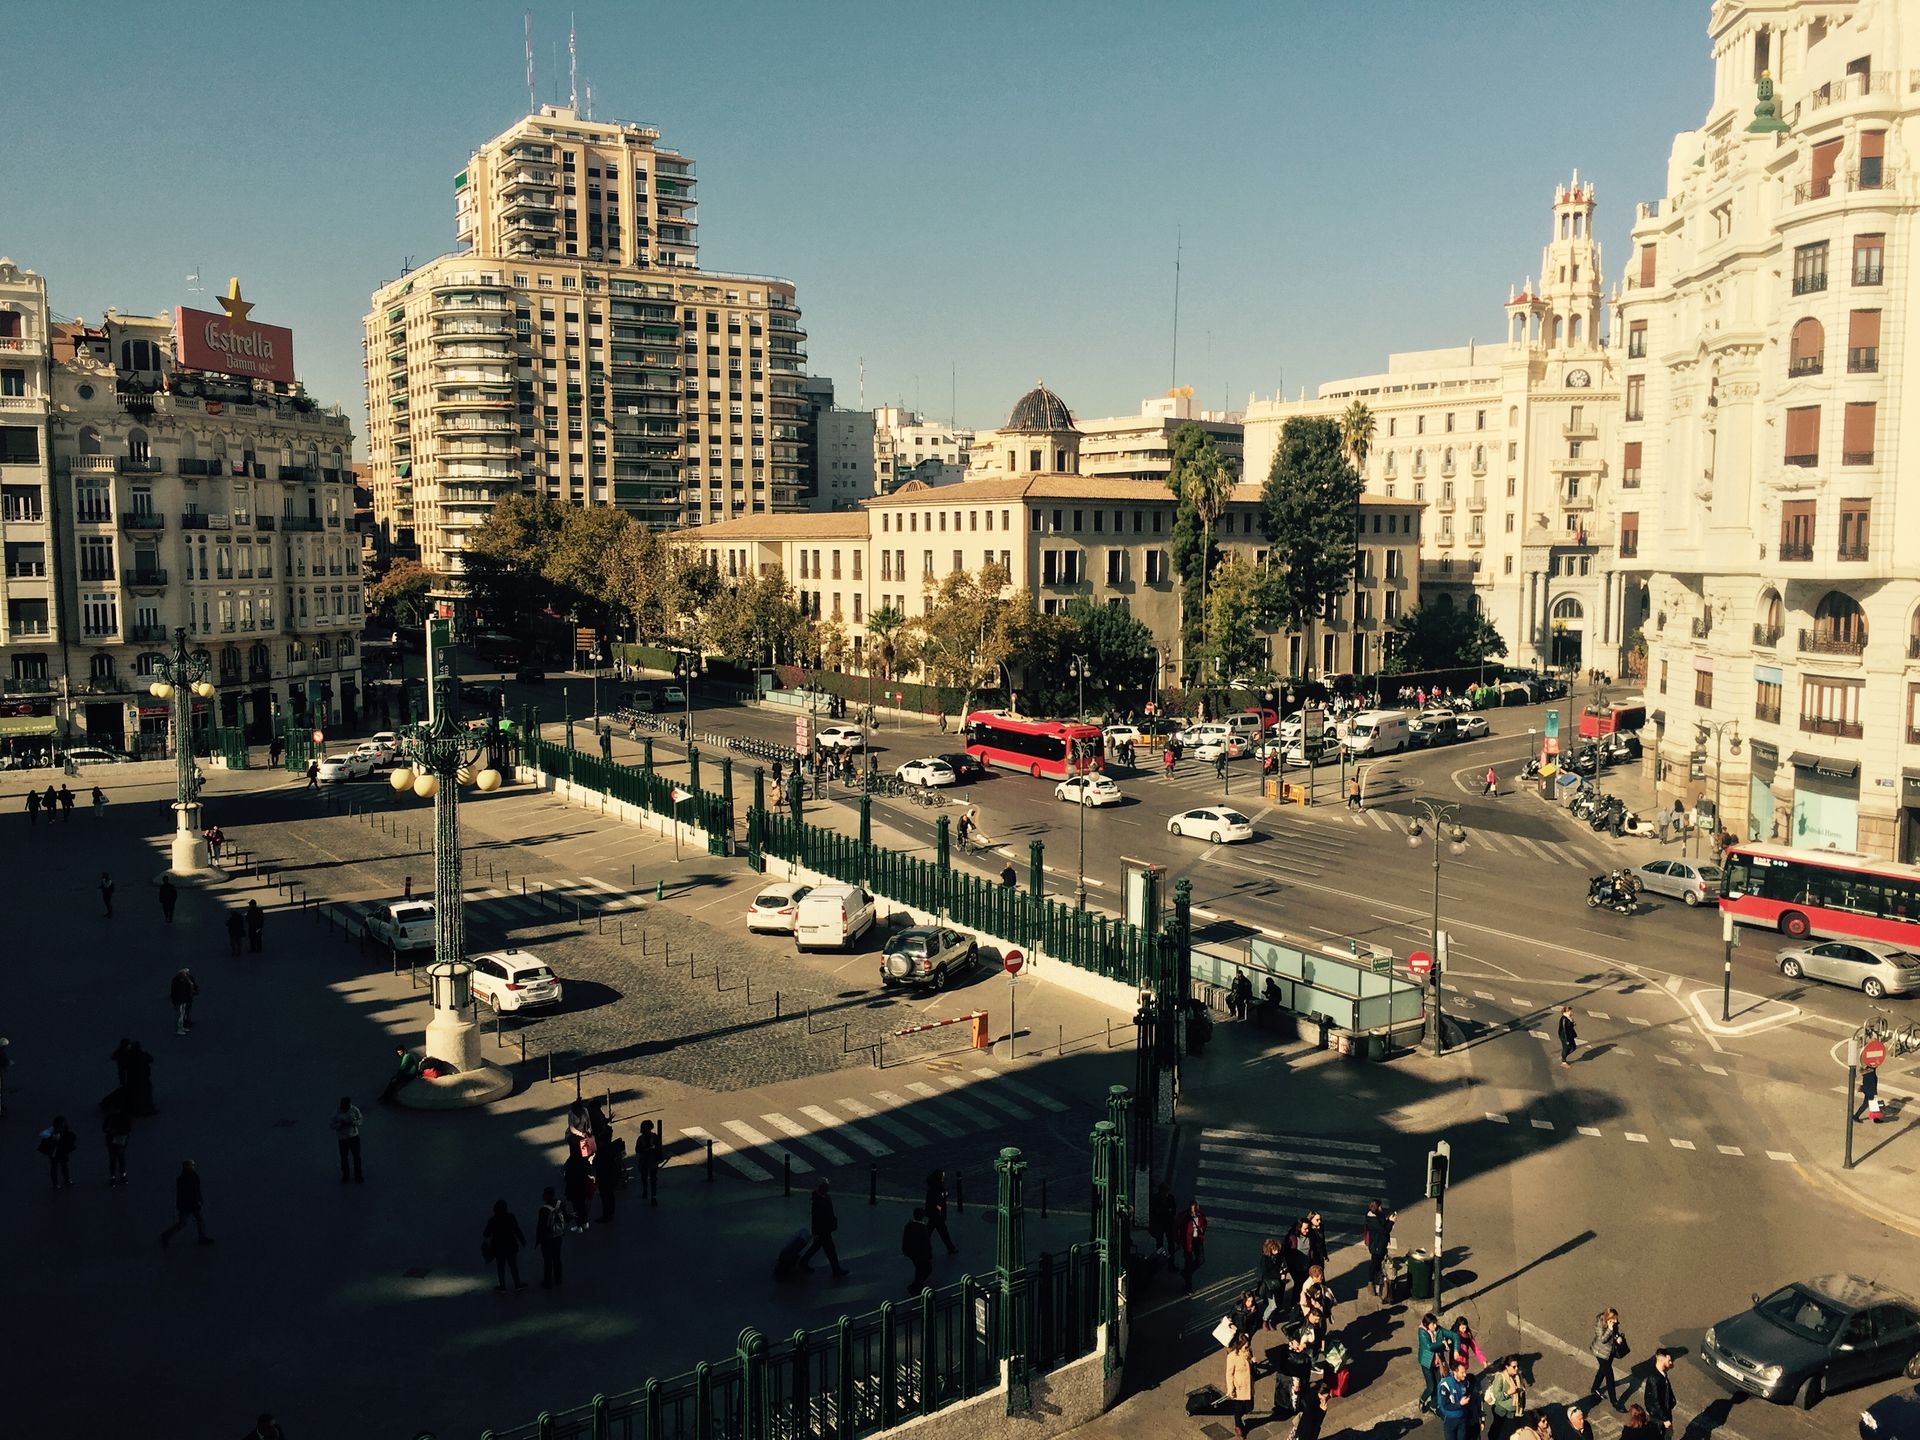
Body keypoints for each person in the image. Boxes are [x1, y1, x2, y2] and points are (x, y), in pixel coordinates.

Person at [800, 1179, 849, 1277]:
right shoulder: (819, 1201)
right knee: (830, 1250)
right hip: (823, 1230)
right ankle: (836, 1270)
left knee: (817, 1246)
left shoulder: (823, 1198)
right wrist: (816, 1232)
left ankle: (803, 1262)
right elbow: (816, 1219)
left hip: (824, 1229)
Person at [160, 1159, 212, 1246]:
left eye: (192, 1166)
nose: (192, 1167)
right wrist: (182, 1205)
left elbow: (197, 1190)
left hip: (193, 1204)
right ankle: (165, 1235)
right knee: (183, 1224)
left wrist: (199, 1199)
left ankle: (202, 1237)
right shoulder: (182, 1179)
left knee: (198, 1220)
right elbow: (181, 1194)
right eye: (190, 1166)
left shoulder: (194, 1177)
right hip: (186, 1205)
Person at [482, 1199, 526, 1291]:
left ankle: (502, 1287)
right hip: (511, 1245)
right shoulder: (511, 1217)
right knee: (513, 1266)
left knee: (500, 1267)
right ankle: (517, 1284)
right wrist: (522, 1240)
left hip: (498, 1247)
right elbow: (516, 1230)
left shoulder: (493, 1220)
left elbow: (486, 1233)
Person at [1590, 1307, 1626, 1408]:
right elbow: (1602, 1339)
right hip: (1601, 1353)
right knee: (1609, 1376)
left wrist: (1617, 1337)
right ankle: (1614, 1402)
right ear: (1609, 1318)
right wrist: (1610, 1329)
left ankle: (1594, 1388)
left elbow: (1615, 1333)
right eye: (1615, 1318)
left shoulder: (1613, 1323)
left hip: (1609, 1352)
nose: (1617, 1321)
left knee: (1602, 1370)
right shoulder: (1599, 1324)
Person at [1223, 1330, 1255, 1439]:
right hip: (1239, 1387)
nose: (1247, 1346)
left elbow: (1252, 1369)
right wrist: (1230, 1388)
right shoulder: (1232, 1356)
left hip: (1249, 1386)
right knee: (1238, 1408)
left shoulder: (1249, 1352)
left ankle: (1240, 1419)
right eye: (1245, 1344)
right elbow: (1229, 1374)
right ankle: (1238, 1426)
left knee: (1249, 1407)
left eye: (1248, 1343)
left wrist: (1253, 1362)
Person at [1487, 1356, 1527, 1440]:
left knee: (1511, 1432)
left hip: (1515, 1411)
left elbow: (1522, 1393)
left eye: (1517, 1366)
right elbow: (1497, 1396)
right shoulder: (1500, 1377)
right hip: (1502, 1411)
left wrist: (1522, 1406)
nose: (1516, 1368)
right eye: (1514, 1367)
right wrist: (1508, 1392)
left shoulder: (1518, 1376)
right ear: (1507, 1367)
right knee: (1497, 1430)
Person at [1416, 1312, 1449, 1413]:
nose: (1435, 1326)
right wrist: (1442, 1344)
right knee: (1431, 1387)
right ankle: (1422, 1400)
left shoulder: (1437, 1330)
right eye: (1433, 1324)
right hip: (1427, 1360)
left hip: (1436, 1361)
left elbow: (1448, 1335)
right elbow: (1429, 1346)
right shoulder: (1422, 1332)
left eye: (1435, 1323)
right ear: (1427, 1324)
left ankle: (1433, 1405)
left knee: (1438, 1384)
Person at [535, 1186, 567, 1288]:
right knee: (557, 1258)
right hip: (558, 1235)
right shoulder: (560, 1204)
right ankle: (558, 1279)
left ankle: (548, 1281)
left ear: (548, 1195)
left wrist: (538, 1240)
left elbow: (540, 1227)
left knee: (547, 1260)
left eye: (544, 1194)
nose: (543, 1196)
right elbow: (566, 1218)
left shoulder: (544, 1210)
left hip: (547, 1239)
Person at [1363, 1199, 1395, 1299]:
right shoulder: (1372, 1220)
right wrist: (1391, 1222)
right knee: (1375, 1264)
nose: (1381, 1208)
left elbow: (1383, 1224)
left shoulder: (1379, 1215)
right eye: (1380, 1206)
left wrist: (1389, 1220)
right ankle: (1372, 1283)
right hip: (1376, 1246)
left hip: (1381, 1245)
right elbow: (1384, 1230)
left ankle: (1378, 1282)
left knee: (1379, 1264)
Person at [1437, 1356, 1472, 1440]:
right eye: (1462, 1372)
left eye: (1465, 1372)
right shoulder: (1446, 1385)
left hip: (1462, 1418)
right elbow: (1446, 1405)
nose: (1465, 1374)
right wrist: (1460, 1404)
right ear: (1455, 1372)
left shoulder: (1465, 1383)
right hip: (1451, 1420)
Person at [1643, 1349, 1677, 1437]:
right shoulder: (1654, 1378)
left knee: (1668, 1435)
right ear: (1661, 1359)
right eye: (1669, 1360)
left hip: (1664, 1413)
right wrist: (1665, 1419)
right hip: (1658, 1418)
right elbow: (1656, 1401)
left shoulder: (1662, 1374)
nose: (1671, 1363)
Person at [901, 1205, 934, 1295]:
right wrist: (929, 1254)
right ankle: (916, 1285)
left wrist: (905, 1250)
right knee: (927, 1269)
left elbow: (905, 1239)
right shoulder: (923, 1228)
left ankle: (917, 1285)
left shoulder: (909, 1225)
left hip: (912, 1253)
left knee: (919, 1268)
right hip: (921, 1253)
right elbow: (926, 1243)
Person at [925, 1169, 958, 1256]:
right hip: (937, 1214)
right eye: (943, 1175)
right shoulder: (936, 1187)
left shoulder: (935, 1186)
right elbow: (937, 1199)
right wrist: (944, 1195)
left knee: (930, 1230)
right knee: (943, 1232)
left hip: (934, 1214)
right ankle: (950, 1248)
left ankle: (921, 1246)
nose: (944, 1177)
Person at [39, 1114, 77, 1189]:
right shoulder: (53, 1129)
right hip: (55, 1152)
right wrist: (53, 1137)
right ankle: (56, 1184)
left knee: (64, 1167)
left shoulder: (64, 1129)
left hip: (62, 1151)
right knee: (55, 1167)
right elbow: (42, 1134)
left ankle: (66, 1180)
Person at [331, 1096, 364, 1183]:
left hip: (354, 1137)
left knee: (356, 1157)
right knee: (344, 1158)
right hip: (343, 1139)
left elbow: (360, 1120)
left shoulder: (354, 1110)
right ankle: (346, 1175)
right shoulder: (336, 1113)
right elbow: (332, 1125)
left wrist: (354, 1123)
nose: (345, 1108)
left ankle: (358, 1175)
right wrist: (340, 1124)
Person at [562, 1148, 594, 1233]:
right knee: (583, 1205)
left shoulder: (570, 1163)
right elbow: (589, 1171)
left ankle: (579, 1226)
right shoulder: (583, 1161)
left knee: (576, 1208)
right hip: (582, 1187)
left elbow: (566, 1177)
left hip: (573, 1188)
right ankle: (585, 1222)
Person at [1179, 1199, 1207, 1291]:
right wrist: (1179, 1240)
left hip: (1197, 1241)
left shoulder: (1201, 1215)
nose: (1194, 1213)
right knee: (1188, 1263)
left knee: (1200, 1260)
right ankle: (1188, 1287)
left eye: (1196, 1210)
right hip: (1188, 1243)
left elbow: (1204, 1223)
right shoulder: (1184, 1216)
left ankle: (1186, 1273)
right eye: (1193, 1211)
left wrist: (1202, 1229)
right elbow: (1176, 1228)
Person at [103, 1102, 131, 1186]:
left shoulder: (122, 1117)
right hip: (113, 1141)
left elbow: (128, 1128)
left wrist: (116, 1131)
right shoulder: (110, 1117)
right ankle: (115, 1177)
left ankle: (120, 1176)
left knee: (119, 1158)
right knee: (115, 1159)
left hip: (119, 1140)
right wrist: (110, 1131)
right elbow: (104, 1128)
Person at [634, 1119, 662, 1204]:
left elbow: (659, 1148)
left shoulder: (654, 1137)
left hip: (652, 1160)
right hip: (644, 1160)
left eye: (649, 1128)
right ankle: (645, 1190)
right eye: (647, 1129)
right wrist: (646, 1149)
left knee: (653, 1179)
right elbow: (637, 1150)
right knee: (644, 1177)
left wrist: (656, 1151)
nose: (648, 1130)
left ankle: (653, 1196)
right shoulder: (641, 1139)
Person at [170, 968, 200, 1035]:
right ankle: (178, 1029)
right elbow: (175, 993)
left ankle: (182, 1026)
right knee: (179, 1016)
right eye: (185, 973)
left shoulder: (185, 979)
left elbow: (189, 987)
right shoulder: (177, 981)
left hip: (184, 1000)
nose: (187, 974)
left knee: (183, 1014)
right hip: (179, 1001)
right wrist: (175, 1001)